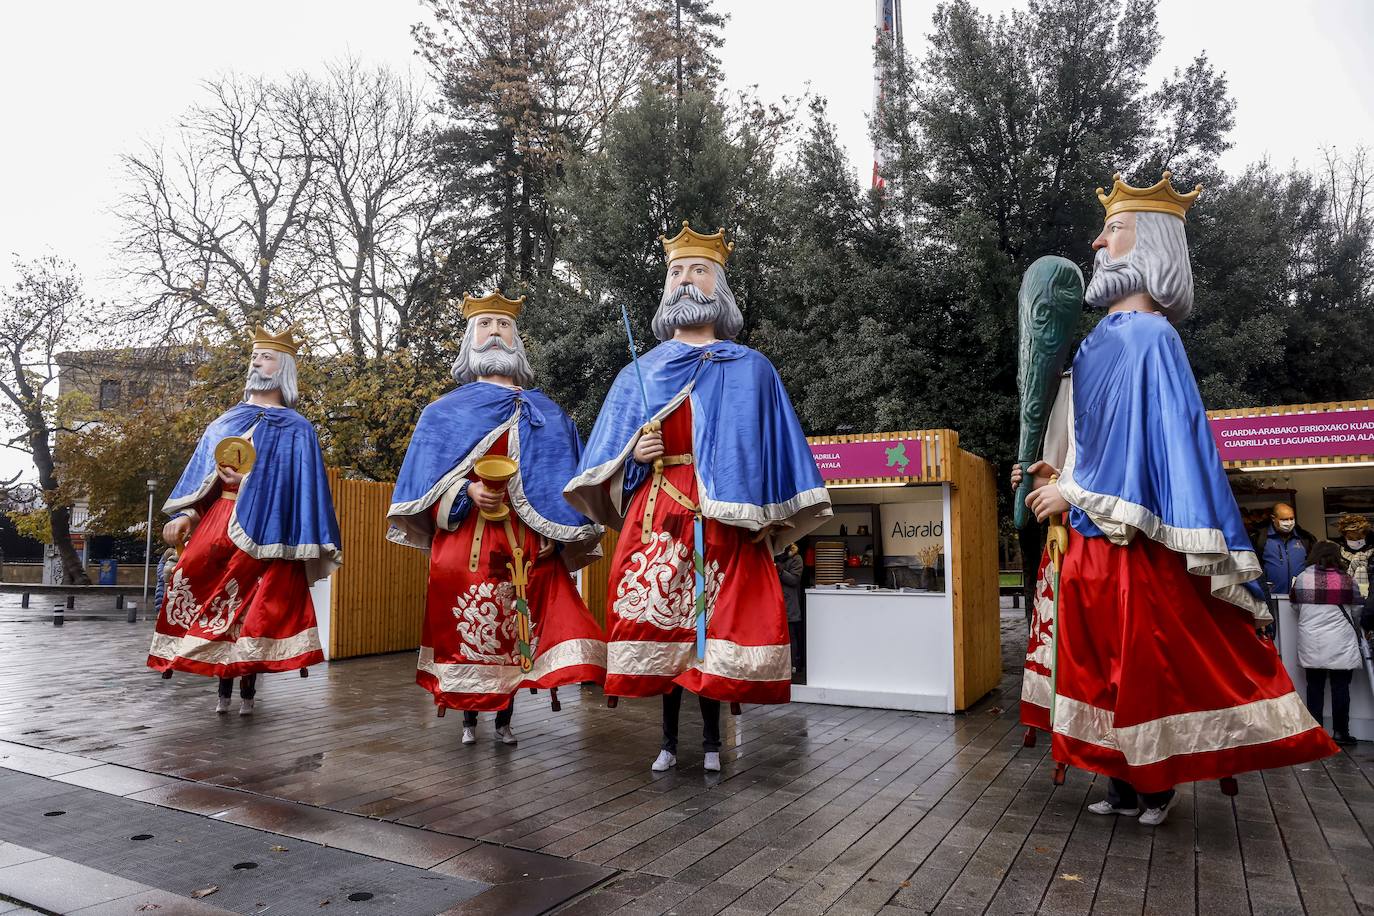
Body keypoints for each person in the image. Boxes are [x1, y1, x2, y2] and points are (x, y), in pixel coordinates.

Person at [1019, 173, 1335, 827]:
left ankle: (1155, 785)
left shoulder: (1150, 337)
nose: (1098, 242)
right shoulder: (1099, 342)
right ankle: (1120, 781)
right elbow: (1097, 445)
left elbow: (1148, 457)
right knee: (1099, 668)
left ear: (1151, 244)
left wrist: (1067, 490)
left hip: (1133, 546)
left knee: (1140, 667)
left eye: (1114, 229)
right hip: (1091, 539)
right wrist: (1057, 469)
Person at [565, 222, 832, 772]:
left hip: (725, 522)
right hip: (662, 515)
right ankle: (667, 742)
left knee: (714, 638)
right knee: (667, 632)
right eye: (677, 271)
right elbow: (606, 473)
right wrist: (637, 457)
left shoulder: (752, 370)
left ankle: (712, 743)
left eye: (699, 270)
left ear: (720, 286)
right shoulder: (640, 374)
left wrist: (771, 519)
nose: (686, 279)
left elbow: (770, 453)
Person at [388, 291, 606, 747]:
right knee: (471, 625)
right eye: (484, 325)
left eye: (503, 325)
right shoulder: (443, 413)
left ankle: (505, 717)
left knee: (516, 628)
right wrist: (466, 490)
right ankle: (470, 715)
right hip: (467, 538)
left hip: (525, 542)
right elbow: (421, 486)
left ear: (516, 340)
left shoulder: (546, 413)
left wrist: (558, 534)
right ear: (470, 339)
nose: (494, 333)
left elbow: (562, 479)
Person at [149, 329, 342, 716]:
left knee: (255, 612)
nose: (256, 362)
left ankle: (249, 690)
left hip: (269, 533)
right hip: (219, 525)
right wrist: (186, 515)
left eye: (267, 357)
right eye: (255, 356)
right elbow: (202, 484)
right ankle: (221, 687)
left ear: (283, 368)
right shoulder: (224, 423)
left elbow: (297, 490)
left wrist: (249, 481)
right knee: (203, 591)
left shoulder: (298, 430)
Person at [1290, 541, 1362, 746]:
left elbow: (1295, 607)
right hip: (1341, 641)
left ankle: (1316, 733)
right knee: (1341, 687)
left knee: (1314, 687)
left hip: (1312, 640)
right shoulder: (1347, 580)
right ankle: (1341, 732)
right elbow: (1357, 610)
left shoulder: (1302, 578)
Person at [1252, 503, 1315, 596]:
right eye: (1284, 519)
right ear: (1273, 518)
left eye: (1291, 518)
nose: (1289, 523)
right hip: (1271, 597)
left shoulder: (1305, 538)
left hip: (1300, 597)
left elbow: (1313, 567)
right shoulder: (1260, 539)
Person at [775, 543, 804, 673]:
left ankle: (793, 665)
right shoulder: (772, 556)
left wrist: (780, 571)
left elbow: (794, 580)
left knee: (791, 636)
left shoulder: (796, 558)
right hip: (775, 603)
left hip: (789, 604)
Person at [1335, 513, 1374, 600]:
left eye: (1359, 538)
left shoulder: (1372, 553)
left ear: (1365, 535)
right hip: (1345, 599)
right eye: (1351, 538)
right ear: (1344, 536)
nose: (1355, 541)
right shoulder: (1337, 553)